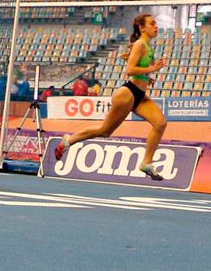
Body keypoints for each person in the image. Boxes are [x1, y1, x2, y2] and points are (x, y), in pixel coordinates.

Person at [53, 13, 169, 181]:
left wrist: (146, 78)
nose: (156, 26)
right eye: (152, 24)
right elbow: (130, 70)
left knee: (160, 123)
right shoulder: (139, 45)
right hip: (126, 94)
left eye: (156, 23)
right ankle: (68, 141)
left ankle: (146, 163)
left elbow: (138, 68)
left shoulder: (147, 46)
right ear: (142, 28)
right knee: (105, 131)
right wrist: (152, 69)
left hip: (139, 95)